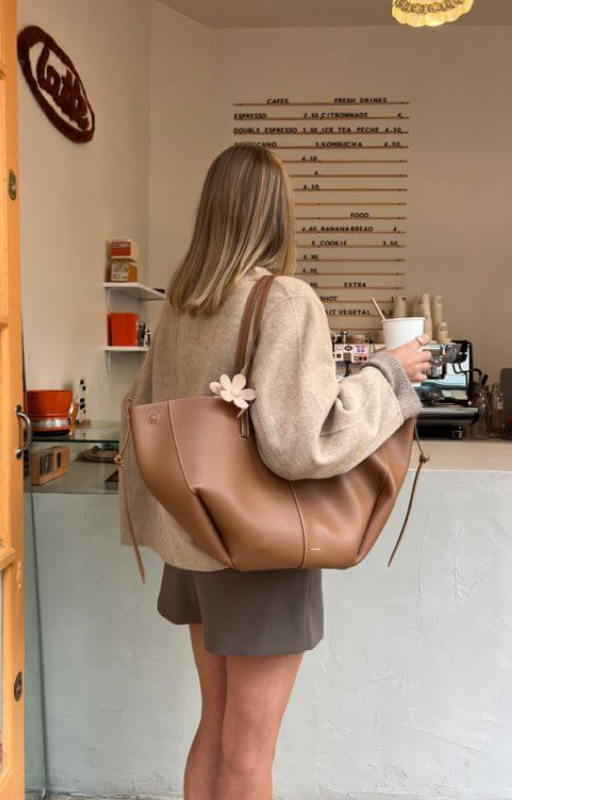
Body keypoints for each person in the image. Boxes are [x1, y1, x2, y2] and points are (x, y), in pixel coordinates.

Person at [120, 144, 431, 800]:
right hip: (258, 548)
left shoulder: (183, 304)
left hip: (193, 539)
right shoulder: (284, 298)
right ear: (278, 214)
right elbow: (299, 444)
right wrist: (388, 373)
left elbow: (144, 408)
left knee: (216, 728)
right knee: (250, 749)